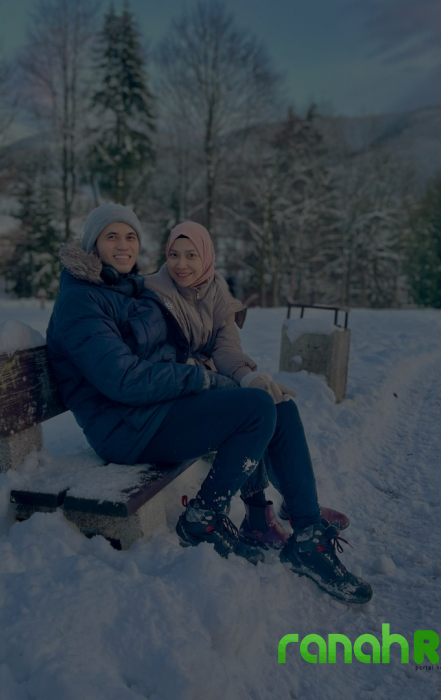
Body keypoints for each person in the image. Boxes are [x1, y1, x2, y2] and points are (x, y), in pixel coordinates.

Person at [46, 203, 372, 604]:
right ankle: (202, 518)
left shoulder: (124, 289)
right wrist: (200, 378)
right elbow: (125, 379)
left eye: (130, 236)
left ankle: (307, 535)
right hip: (125, 429)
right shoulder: (81, 302)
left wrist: (215, 375)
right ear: (92, 243)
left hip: (151, 410)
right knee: (254, 411)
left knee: (277, 403)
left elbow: (164, 353)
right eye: (111, 236)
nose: (123, 245)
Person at [145, 221, 349, 550]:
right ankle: (261, 515)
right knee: (252, 409)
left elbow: (226, 349)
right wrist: (229, 383)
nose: (181, 264)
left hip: (206, 387)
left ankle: (298, 512)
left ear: (206, 258)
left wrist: (250, 376)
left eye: (191, 255)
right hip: (177, 399)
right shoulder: (155, 294)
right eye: (174, 254)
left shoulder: (213, 291)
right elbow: (165, 361)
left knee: (278, 403)